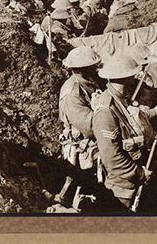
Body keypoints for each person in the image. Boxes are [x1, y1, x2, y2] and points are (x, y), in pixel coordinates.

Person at [92, 54, 157, 209]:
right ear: (125, 78)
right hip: (125, 187)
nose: (136, 78)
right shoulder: (106, 111)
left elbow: (134, 127)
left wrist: (154, 137)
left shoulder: (123, 99)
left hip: (141, 172)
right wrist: (139, 173)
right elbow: (112, 158)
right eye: (133, 75)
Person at [56, 47, 104, 205]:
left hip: (92, 137)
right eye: (93, 65)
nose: (96, 67)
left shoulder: (88, 81)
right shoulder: (72, 93)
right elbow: (89, 127)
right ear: (83, 68)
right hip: (83, 145)